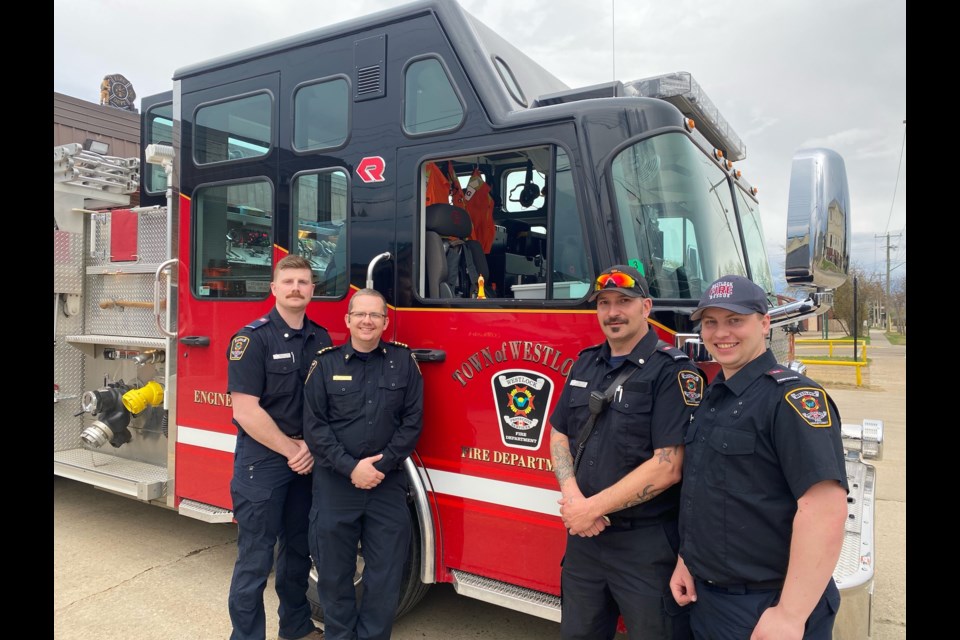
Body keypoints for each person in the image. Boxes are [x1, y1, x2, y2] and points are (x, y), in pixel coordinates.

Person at [669, 275, 849, 640]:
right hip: (711, 599)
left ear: (765, 323)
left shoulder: (791, 399)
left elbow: (824, 509)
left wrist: (790, 614)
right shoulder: (716, 395)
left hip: (766, 605)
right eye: (710, 323)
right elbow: (708, 492)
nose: (722, 333)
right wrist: (688, 561)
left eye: (735, 320)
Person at [549, 265, 704, 640]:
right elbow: (558, 434)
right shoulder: (586, 361)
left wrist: (592, 508)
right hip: (585, 540)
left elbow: (669, 466)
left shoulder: (673, 371)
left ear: (646, 307)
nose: (613, 312)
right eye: (604, 303)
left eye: (624, 302)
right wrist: (573, 499)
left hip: (645, 547)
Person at [303, 288, 424, 640]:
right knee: (334, 573)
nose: (367, 321)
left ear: (385, 322)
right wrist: (350, 467)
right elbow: (314, 426)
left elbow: (412, 422)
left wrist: (381, 466)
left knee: (385, 574)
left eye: (375, 315)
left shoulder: (404, 363)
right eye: (360, 315)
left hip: (386, 486)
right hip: (335, 485)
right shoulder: (325, 364)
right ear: (348, 320)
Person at [226, 254, 331, 640]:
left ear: (312, 291)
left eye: (303, 283)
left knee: (297, 555)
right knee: (254, 560)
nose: (296, 289)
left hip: (305, 461)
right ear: (274, 289)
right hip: (263, 463)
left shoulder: (320, 339)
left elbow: (326, 402)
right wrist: (292, 449)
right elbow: (245, 410)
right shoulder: (251, 339)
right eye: (288, 282)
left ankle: (297, 628)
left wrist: (311, 449)